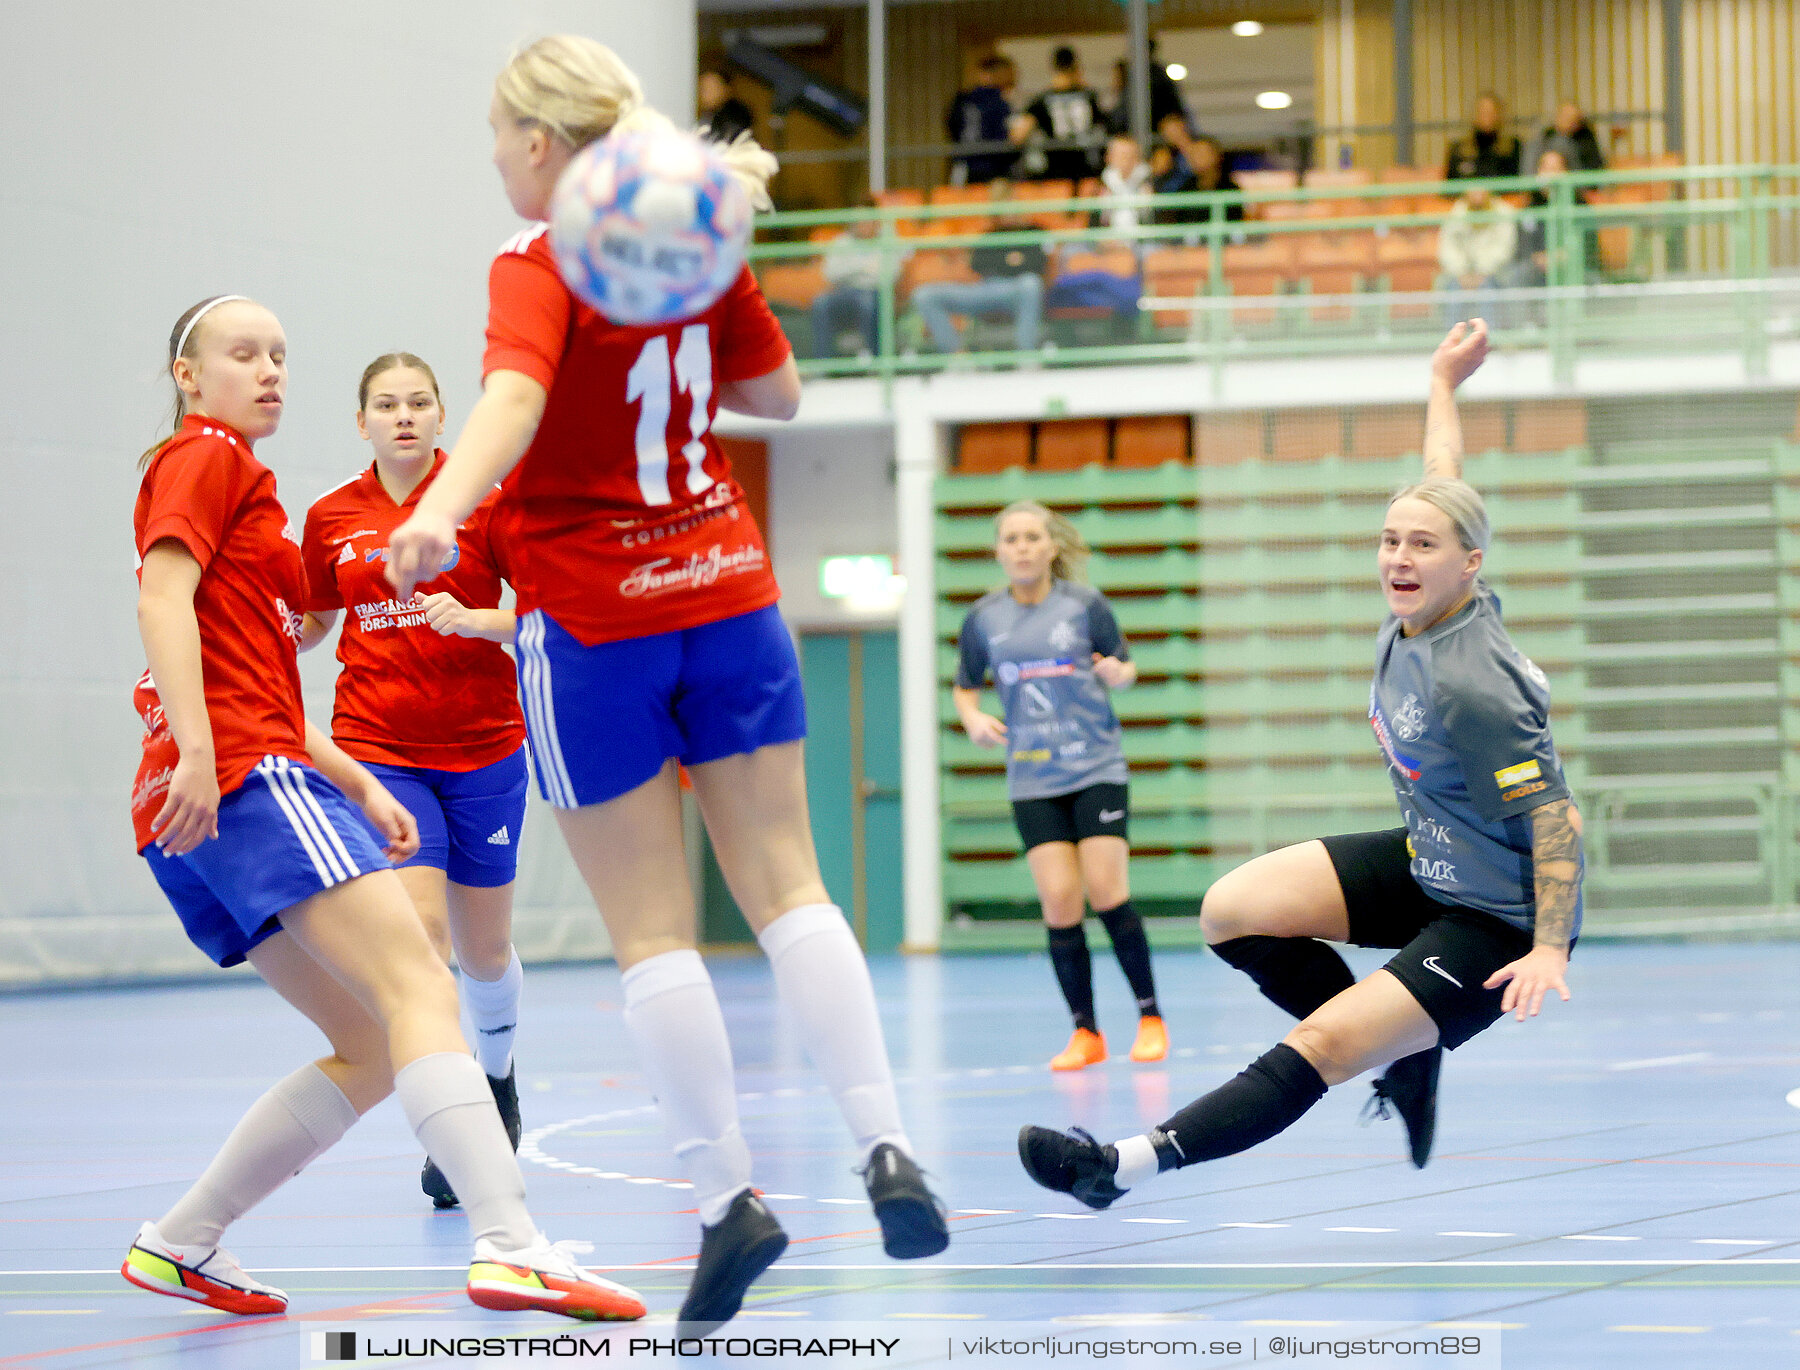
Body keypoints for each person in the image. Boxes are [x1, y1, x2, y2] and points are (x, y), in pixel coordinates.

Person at [383, 36, 949, 1333]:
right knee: (791, 886)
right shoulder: (701, 243)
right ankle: (890, 1151)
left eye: (496, 136)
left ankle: (728, 1197)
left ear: (542, 144)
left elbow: (515, 400)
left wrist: (444, 507)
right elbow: (784, 391)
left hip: (593, 614)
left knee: (654, 928)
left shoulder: (538, 260)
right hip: (729, 587)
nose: (492, 158)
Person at [123, 295, 642, 1322]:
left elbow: (258, 666)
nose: (268, 368)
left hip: (207, 793)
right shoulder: (208, 456)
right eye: (242, 352)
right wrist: (197, 746)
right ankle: (512, 1241)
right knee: (419, 983)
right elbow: (159, 600)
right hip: (236, 777)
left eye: (279, 352)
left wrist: (352, 779)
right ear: (189, 375)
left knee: (370, 1039)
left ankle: (180, 1239)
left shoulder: (256, 497)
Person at [1020, 320, 1583, 1208]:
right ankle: (1408, 1054)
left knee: (1323, 1046)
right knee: (1233, 912)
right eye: (1391, 539)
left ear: (1469, 566)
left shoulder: (1475, 684)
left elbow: (1556, 819)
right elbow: (1446, 483)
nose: (1400, 555)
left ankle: (1120, 1166)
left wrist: (1549, 945)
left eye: (1422, 545)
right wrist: (1443, 383)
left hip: (1497, 916)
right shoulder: (1424, 610)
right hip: (1431, 858)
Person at [299, 352, 530, 1212]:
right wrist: (273, 634)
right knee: (425, 944)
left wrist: (479, 621)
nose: (403, 415)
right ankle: (460, 1126)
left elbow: (543, 609)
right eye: (385, 405)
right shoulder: (329, 517)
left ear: (442, 418)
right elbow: (317, 618)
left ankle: (500, 1077)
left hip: (485, 748)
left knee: (482, 953)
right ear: (361, 421)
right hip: (380, 752)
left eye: (419, 403)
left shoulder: (487, 504)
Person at [954, 502, 1167, 1071]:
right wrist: (973, 719)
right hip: (1032, 776)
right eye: (1011, 539)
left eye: (1031, 538)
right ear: (999, 551)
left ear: (1051, 548)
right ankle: (1086, 1033)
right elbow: (965, 686)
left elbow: (1124, 664)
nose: (1021, 547)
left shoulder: (1084, 606)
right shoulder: (983, 619)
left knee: (1106, 891)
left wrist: (1118, 674)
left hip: (1095, 766)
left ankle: (1150, 1018)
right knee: (1059, 902)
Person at [910, 204, 1047, 357]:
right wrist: (1010, 260)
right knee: (924, 295)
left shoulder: (1033, 232)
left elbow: (1038, 264)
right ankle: (957, 357)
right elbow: (978, 264)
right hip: (985, 288)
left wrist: (1004, 261)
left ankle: (1027, 357)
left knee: (1031, 283)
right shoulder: (989, 235)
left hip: (1016, 288)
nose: (1010, 215)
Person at [1014, 46, 1106, 184]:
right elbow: (1105, 124)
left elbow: (1017, 136)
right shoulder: (1089, 95)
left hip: (1056, 165)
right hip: (1087, 163)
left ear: (1053, 67)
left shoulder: (1042, 99)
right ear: (1076, 66)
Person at [809, 212, 889, 360]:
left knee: (868, 304)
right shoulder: (842, 242)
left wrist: (849, 268)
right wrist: (863, 267)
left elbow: (886, 276)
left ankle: (873, 359)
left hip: (872, 291)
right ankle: (824, 363)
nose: (864, 226)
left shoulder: (885, 242)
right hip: (844, 291)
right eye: (860, 222)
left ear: (876, 224)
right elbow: (830, 273)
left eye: (868, 222)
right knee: (821, 303)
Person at [1435, 185, 1517, 327]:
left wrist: (1482, 273)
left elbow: (1503, 250)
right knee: (1452, 290)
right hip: (1460, 277)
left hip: (1493, 275)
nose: (1477, 193)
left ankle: (1488, 341)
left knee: (1487, 291)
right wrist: (1461, 274)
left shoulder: (1503, 212)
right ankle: (1454, 342)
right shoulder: (1456, 213)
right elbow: (1448, 249)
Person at [946, 55, 1016, 185]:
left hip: (963, 165)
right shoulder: (998, 101)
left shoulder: (961, 99)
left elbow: (951, 127)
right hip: (992, 168)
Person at [1444, 92, 1521, 181]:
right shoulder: (1458, 148)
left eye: (1491, 112)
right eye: (1482, 112)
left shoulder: (1512, 147)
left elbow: (1516, 183)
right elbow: (1449, 187)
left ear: (1499, 115)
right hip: (1466, 195)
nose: (1486, 116)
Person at [1537, 100, 1605, 173]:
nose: (1569, 121)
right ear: (1557, 117)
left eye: (1573, 118)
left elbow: (1595, 165)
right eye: (1565, 116)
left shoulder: (1586, 138)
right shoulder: (1545, 137)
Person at [697, 64, 754, 146]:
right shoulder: (706, 115)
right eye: (703, 89)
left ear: (726, 89)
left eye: (712, 88)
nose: (706, 95)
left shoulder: (734, 116)